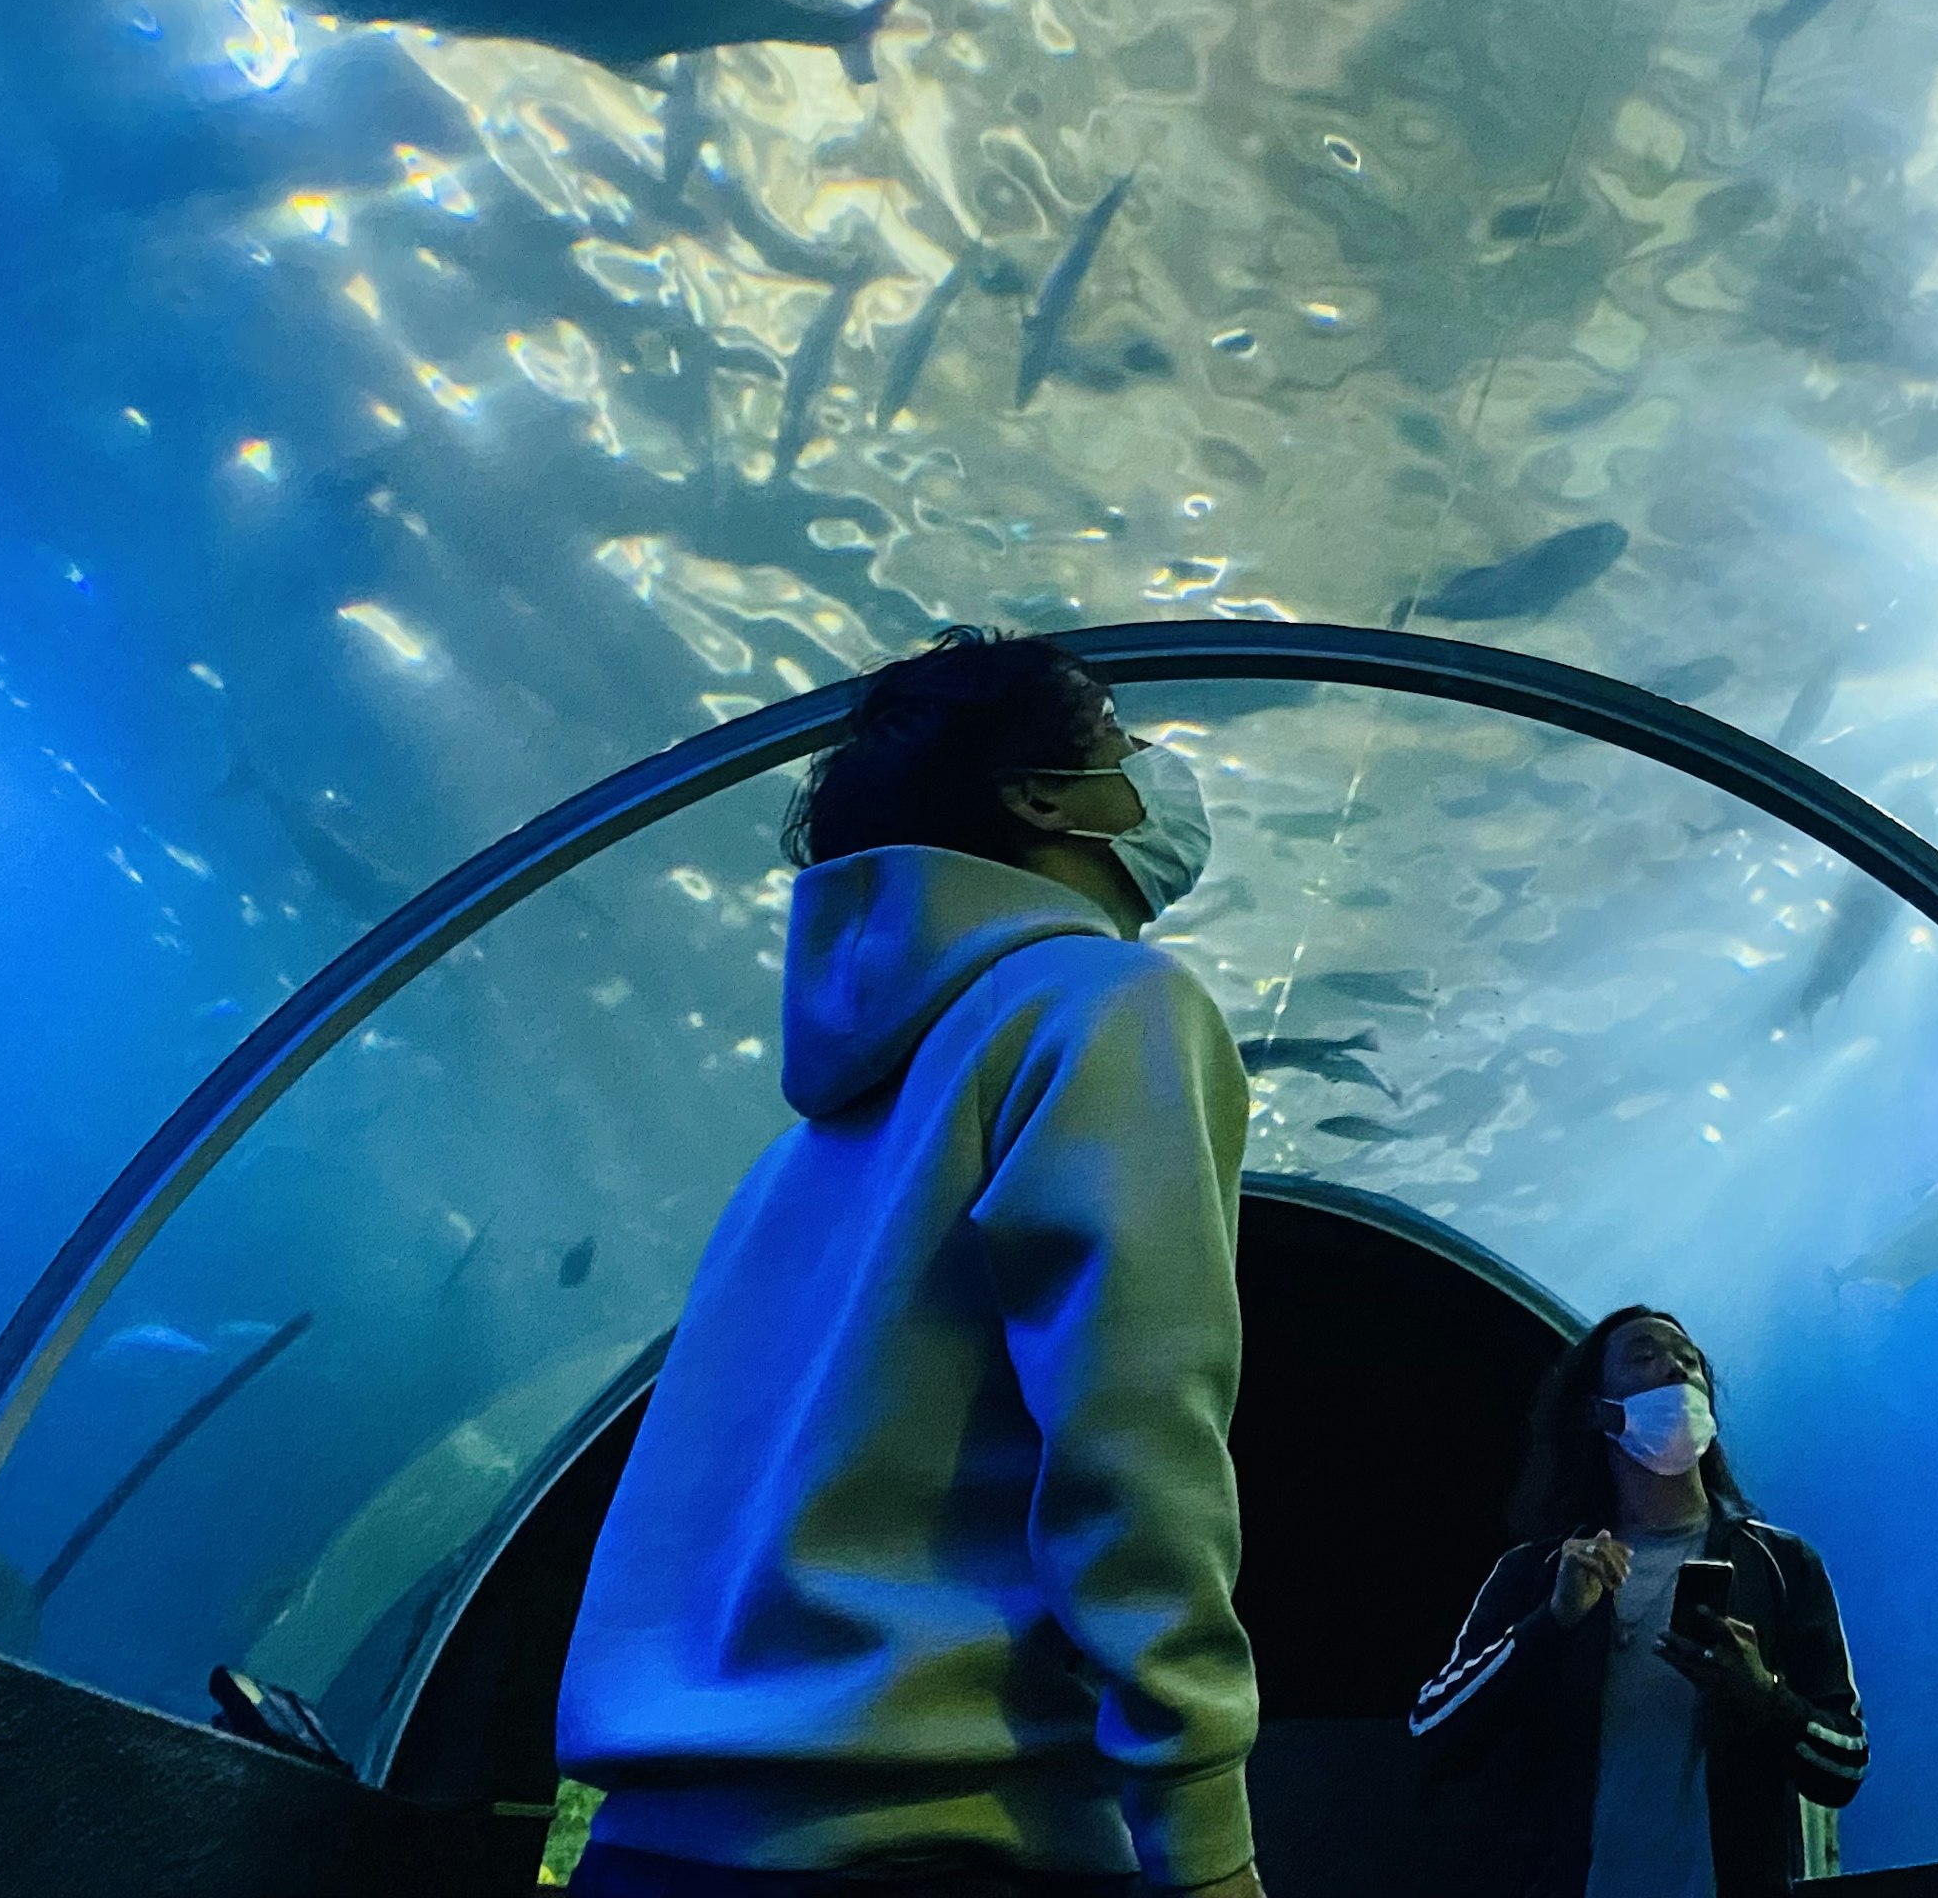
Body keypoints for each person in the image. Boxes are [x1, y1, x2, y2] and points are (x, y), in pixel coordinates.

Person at [558, 627, 1266, 1898]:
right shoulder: (1109, 1006)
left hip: (663, 1847)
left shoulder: (808, 1145)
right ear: (1042, 796)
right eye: (1117, 735)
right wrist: (1206, 1841)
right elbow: (1136, 1434)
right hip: (937, 1840)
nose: (1152, 760)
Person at [1410, 1306, 1869, 1896]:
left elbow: (1846, 1763)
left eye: (1690, 1361)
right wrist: (1551, 1623)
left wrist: (1763, 1693)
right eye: (1644, 1356)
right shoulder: (1539, 1571)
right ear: (1598, 1410)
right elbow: (1434, 1732)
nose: (1675, 1369)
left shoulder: (1782, 1566)